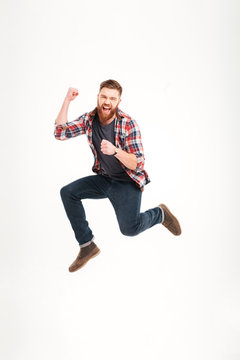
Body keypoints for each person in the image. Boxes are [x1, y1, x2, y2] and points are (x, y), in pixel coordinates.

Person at [54, 79, 181, 272]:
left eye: (112, 98)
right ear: (98, 97)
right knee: (68, 192)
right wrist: (67, 101)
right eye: (104, 96)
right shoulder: (90, 119)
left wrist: (115, 151)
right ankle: (87, 245)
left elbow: (138, 163)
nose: (107, 101)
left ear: (118, 102)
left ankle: (160, 214)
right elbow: (60, 133)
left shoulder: (127, 124)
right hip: (105, 179)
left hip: (127, 182)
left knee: (130, 229)